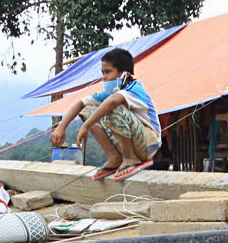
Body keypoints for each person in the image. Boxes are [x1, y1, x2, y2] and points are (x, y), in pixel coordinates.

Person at [49, 49, 161, 181]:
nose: (104, 77)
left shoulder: (134, 87)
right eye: (103, 72)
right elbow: (80, 104)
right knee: (88, 109)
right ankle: (115, 157)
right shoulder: (113, 92)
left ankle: (130, 157)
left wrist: (86, 125)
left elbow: (113, 102)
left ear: (124, 73)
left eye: (108, 72)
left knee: (111, 106)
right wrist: (61, 127)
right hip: (134, 140)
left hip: (148, 144)